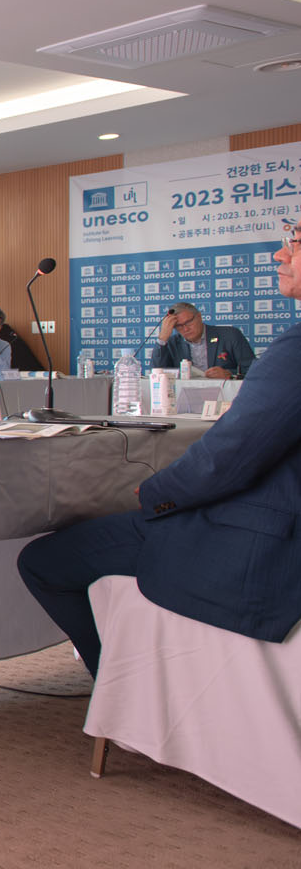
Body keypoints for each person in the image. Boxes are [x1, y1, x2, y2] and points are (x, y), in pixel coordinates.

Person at [17, 226, 301, 677]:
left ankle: (119, 691)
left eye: (294, 243)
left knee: (42, 561)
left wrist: (156, 493)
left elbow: (227, 460)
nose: (278, 256)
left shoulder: (292, 349)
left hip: (263, 548)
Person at [145, 301, 253, 379]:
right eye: (179, 326)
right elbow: (157, 375)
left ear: (199, 317)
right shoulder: (171, 343)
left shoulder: (230, 335)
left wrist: (230, 374)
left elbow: (252, 370)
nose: (185, 329)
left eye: (188, 322)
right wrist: (162, 338)